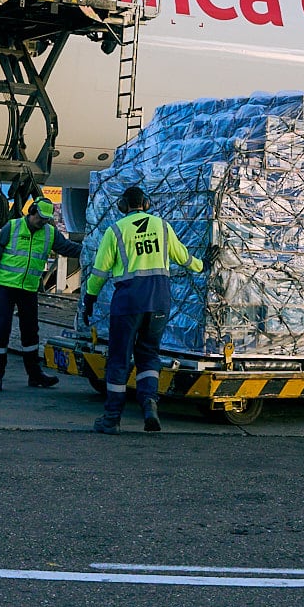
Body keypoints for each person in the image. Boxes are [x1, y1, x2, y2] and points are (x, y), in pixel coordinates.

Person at [82, 185, 204, 433]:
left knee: (119, 357)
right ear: (146, 204)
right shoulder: (163, 227)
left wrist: (90, 298)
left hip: (128, 302)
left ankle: (112, 418)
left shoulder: (115, 231)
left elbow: (99, 272)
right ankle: (149, 404)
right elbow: (184, 258)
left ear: (123, 206)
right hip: (159, 301)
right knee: (148, 355)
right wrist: (202, 264)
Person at [0, 198, 80, 391]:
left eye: (46, 219)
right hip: (7, 287)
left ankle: (34, 375)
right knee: (1, 330)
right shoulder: (13, 227)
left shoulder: (50, 233)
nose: (43, 222)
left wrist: (90, 252)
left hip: (29, 289)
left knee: (31, 332)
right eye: (40, 218)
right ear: (31, 212)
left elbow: (67, 248)